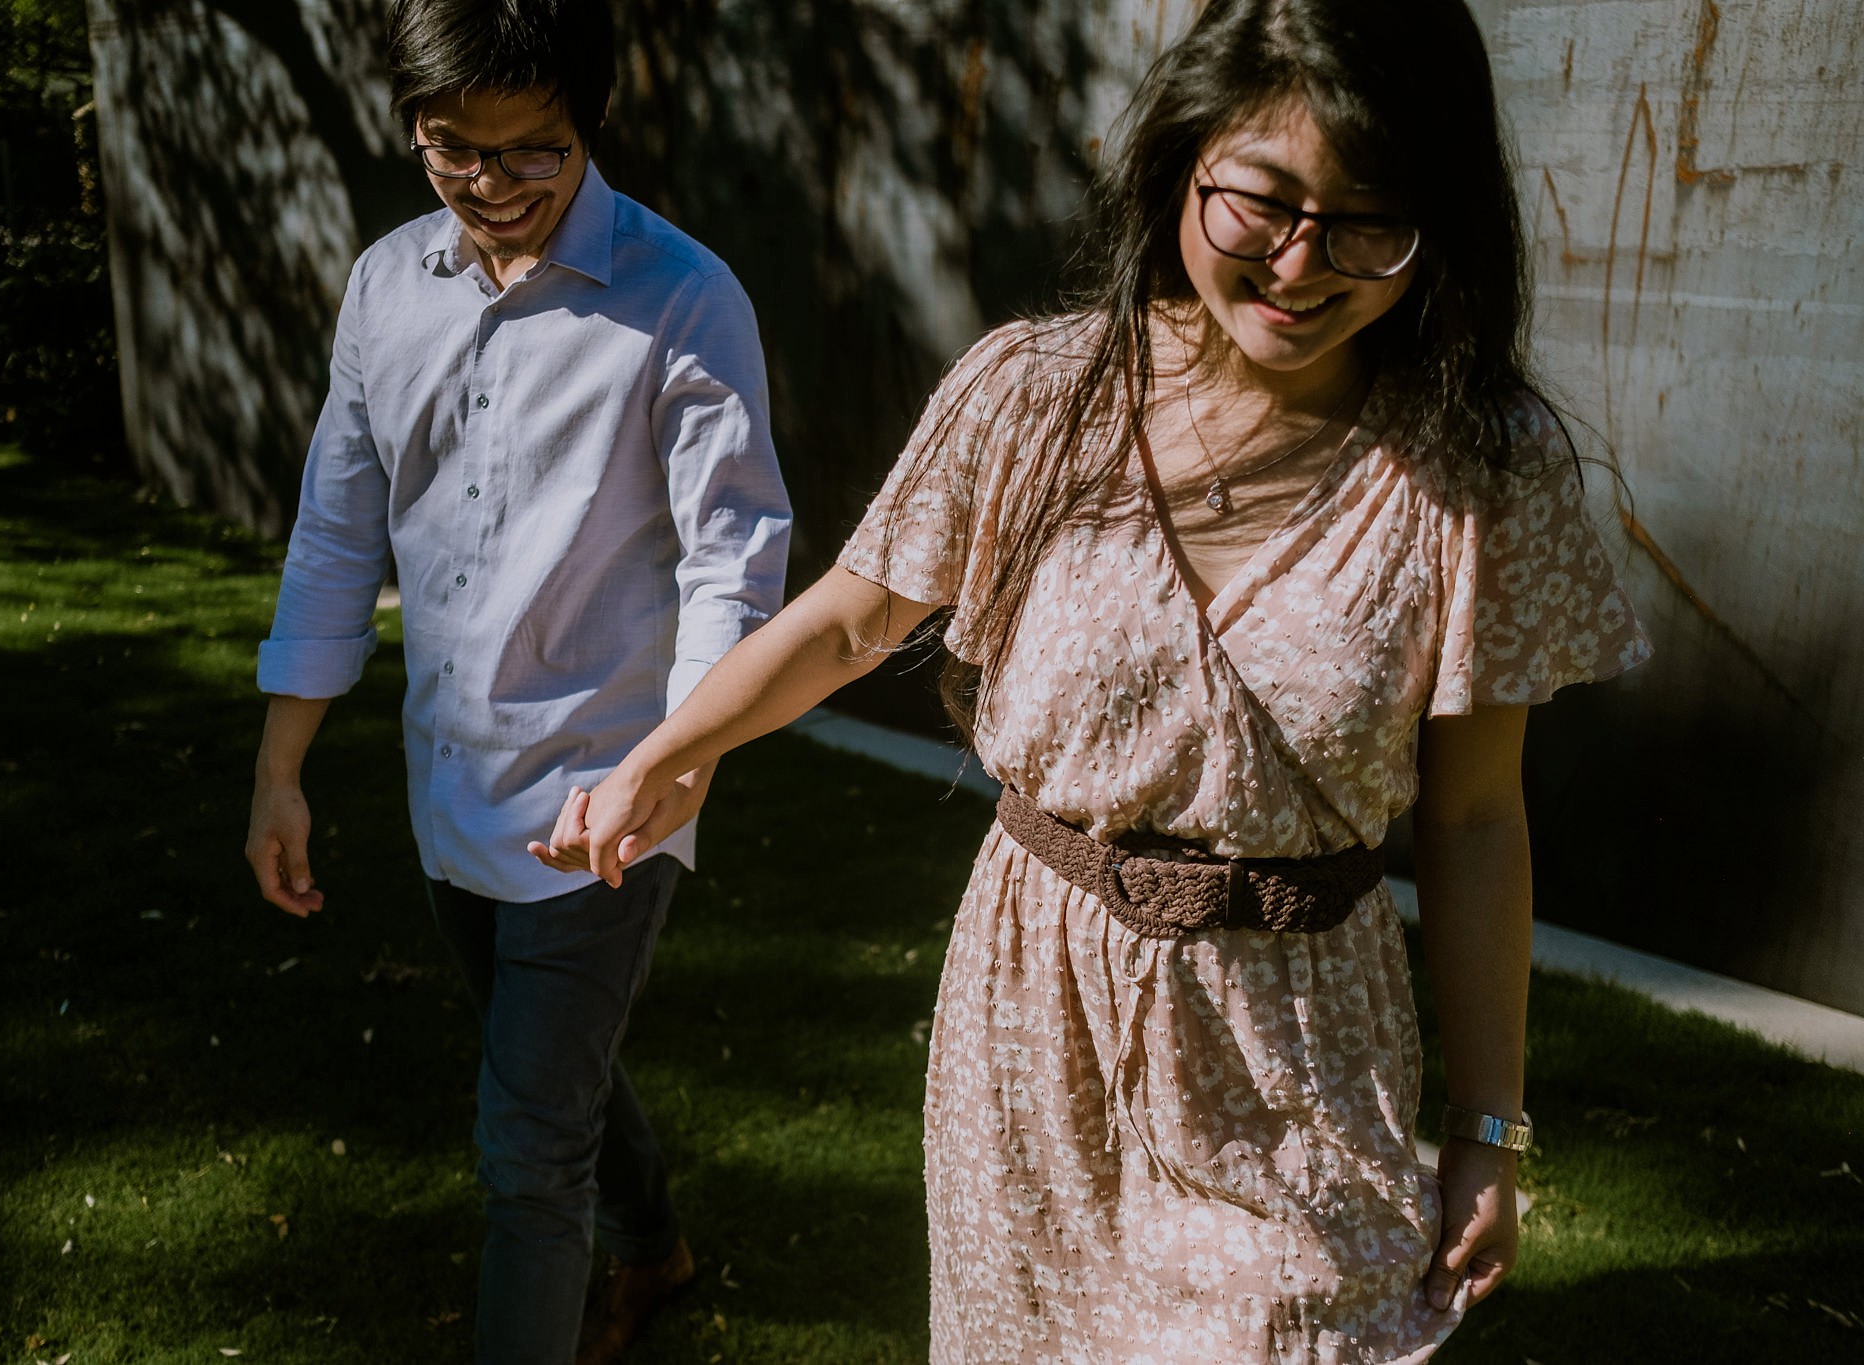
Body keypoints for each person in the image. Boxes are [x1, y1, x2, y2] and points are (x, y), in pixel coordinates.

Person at [534, 0, 1649, 1359]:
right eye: (1266, 199)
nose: (1304, 261)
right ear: (1184, 160)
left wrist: (1486, 1126)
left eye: (1370, 220)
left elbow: (1477, 820)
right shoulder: (1033, 391)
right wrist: (671, 750)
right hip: (1038, 1022)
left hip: (1298, 1042)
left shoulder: (1484, 466)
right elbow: (851, 617)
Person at [241, 1, 791, 1360]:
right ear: (415, 128)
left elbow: (736, 564)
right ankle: (657, 1245)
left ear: (589, 123)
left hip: (611, 793)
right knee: (549, 1067)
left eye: (531, 152)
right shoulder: (384, 286)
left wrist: (678, 763)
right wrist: (280, 764)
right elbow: (336, 527)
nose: (492, 186)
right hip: (449, 784)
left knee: (526, 1153)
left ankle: (608, 1263)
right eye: (452, 150)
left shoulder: (686, 296)